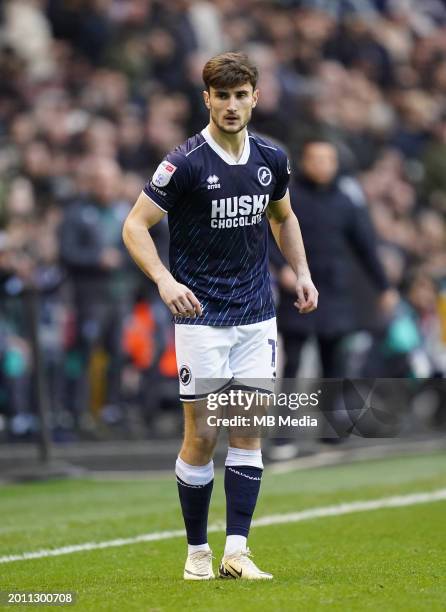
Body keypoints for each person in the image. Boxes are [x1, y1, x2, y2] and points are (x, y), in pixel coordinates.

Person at [122, 52, 318, 581]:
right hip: (203, 319)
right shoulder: (183, 163)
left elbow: (283, 216)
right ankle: (196, 554)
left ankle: (236, 551)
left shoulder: (272, 159)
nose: (231, 105)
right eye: (222, 95)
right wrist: (165, 280)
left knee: (249, 432)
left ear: (255, 97)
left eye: (240, 95)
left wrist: (300, 270)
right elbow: (135, 226)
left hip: (256, 317)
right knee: (204, 436)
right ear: (206, 98)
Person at [270, 137, 398, 442]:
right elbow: (268, 236)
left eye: (328, 159)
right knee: (295, 362)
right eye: (316, 159)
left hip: (334, 294)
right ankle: (285, 431)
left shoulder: (345, 202)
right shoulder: (290, 198)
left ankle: (330, 428)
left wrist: (385, 286)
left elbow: (366, 246)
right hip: (297, 292)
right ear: (304, 161)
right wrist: (282, 269)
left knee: (333, 365)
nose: (322, 165)